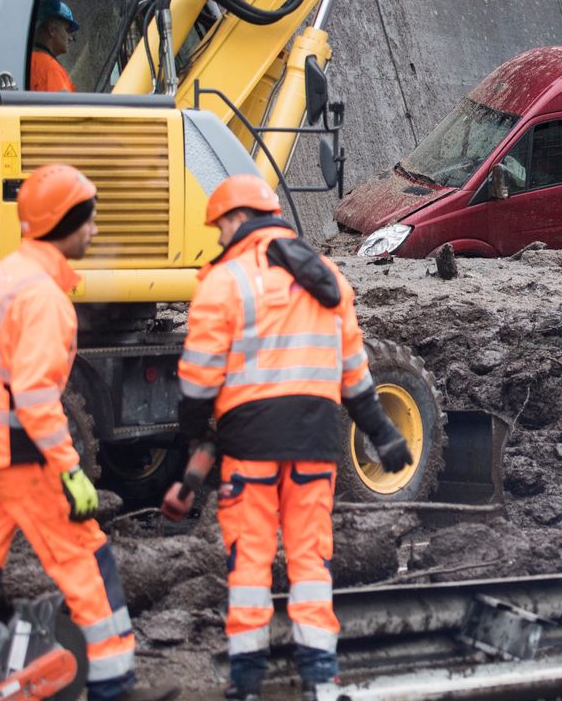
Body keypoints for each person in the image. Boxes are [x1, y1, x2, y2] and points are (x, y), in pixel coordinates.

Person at [0, 165, 176, 701]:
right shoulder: (43, 298)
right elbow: (37, 396)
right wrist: (69, 471)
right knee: (87, 558)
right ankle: (115, 682)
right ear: (64, 223)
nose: (93, 232)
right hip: (22, 456)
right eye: (87, 221)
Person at [177, 174, 413, 701]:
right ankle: (322, 682)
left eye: (219, 227)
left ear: (237, 221)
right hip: (315, 446)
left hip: (249, 450)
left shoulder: (224, 281)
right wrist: (383, 434)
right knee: (311, 562)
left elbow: (197, 380)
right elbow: (355, 373)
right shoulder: (326, 277)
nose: (218, 237)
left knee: (250, 562)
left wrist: (192, 440)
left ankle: (245, 685)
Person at [31, 0, 79, 92]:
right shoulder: (50, 68)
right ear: (52, 29)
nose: (70, 38)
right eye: (67, 30)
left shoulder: (29, 59)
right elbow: (63, 106)